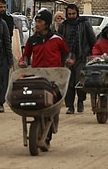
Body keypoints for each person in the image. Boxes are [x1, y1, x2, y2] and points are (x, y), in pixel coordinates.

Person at [18, 9, 70, 148]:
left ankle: (48, 135)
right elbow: (26, 56)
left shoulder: (57, 39)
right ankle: (40, 131)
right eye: (36, 21)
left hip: (54, 78)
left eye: (39, 22)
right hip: (37, 77)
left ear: (46, 24)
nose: (37, 24)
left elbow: (68, 54)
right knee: (37, 102)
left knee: (52, 104)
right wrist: (23, 62)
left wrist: (69, 62)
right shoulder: (33, 40)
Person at [57, 3, 96, 114]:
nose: (72, 16)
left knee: (80, 81)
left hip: (81, 57)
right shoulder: (63, 26)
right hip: (67, 58)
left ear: (77, 13)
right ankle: (70, 106)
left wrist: (93, 53)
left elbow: (92, 39)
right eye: (69, 14)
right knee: (68, 83)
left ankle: (80, 101)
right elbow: (59, 42)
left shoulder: (84, 24)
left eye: (73, 13)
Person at [0, 0, 15, 114]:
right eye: (0, 7)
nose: (2, 9)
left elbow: (9, 36)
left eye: (4, 7)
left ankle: (0, 102)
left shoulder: (9, 19)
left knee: (3, 79)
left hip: (4, 53)